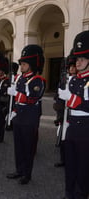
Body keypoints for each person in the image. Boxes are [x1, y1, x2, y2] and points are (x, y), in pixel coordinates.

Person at [6, 44, 46, 185]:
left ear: (31, 65)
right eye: (21, 63)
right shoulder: (19, 78)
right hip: (19, 115)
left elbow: (32, 98)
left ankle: (27, 174)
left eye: (24, 64)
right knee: (18, 145)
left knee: (28, 147)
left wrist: (17, 94)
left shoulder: (37, 80)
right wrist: (13, 112)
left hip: (30, 117)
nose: (21, 66)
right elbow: (18, 100)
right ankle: (19, 170)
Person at [58, 30, 89, 199]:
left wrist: (76, 101)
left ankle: (80, 194)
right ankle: (69, 192)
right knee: (70, 165)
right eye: (77, 58)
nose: (78, 62)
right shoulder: (75, 79)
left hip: (85, 129)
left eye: (82, 59)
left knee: (83, 167)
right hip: (71, 126)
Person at [53, 51, 76, 168]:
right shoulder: (63, 80)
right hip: (63, 112)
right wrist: (58, 108)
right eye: (70, 66)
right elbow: (58, 95)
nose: (71, 69)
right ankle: (63, 159)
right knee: (63, 138)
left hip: (73, 114)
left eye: (73, 66)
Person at [0, 59, 10, 143]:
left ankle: (0, 137)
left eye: (0, 71)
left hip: (3, 103)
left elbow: (5, 92)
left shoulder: (6, 81)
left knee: (1, 122)